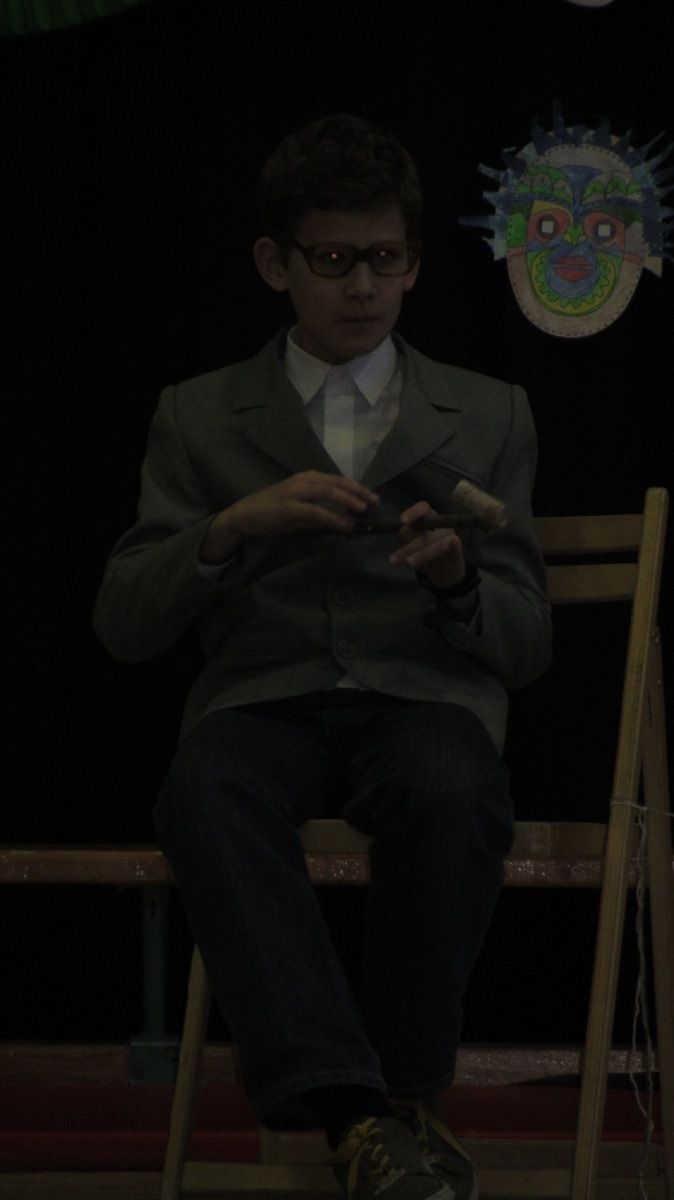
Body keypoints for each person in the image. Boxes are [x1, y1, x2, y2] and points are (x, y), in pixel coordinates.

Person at [93, 114, 552, 1200]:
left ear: (415, 263)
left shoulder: (488, 412)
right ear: (275, 263)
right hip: (264, 696)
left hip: (423, 694)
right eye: (334, 260)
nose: (363, 287)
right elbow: (122, 621)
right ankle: (361, 1113)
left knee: (449, 785)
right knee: (205, 793)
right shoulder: (199, 414)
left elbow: (527, 644)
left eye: (385, 259)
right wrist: (229, 529)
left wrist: (457, 583)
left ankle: (396, 1097)